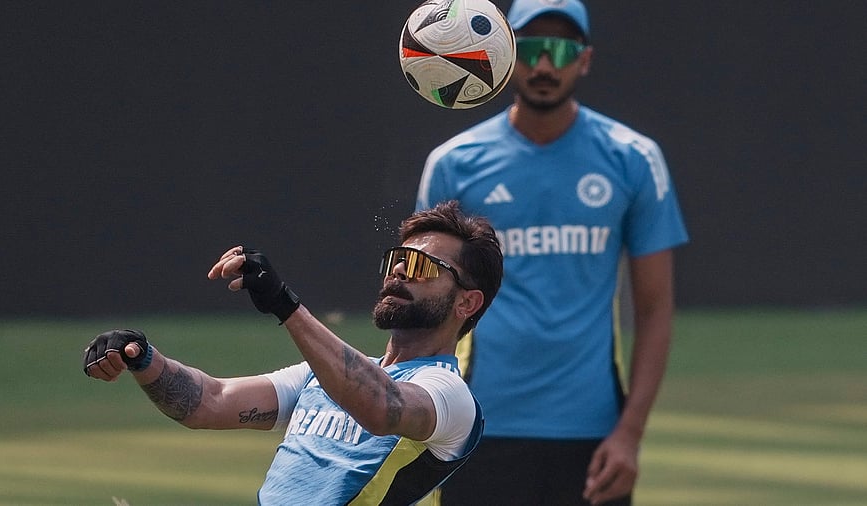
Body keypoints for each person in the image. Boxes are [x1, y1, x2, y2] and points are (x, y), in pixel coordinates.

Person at [415, 1, 689, 504]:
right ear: (507, 55)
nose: (546, 65)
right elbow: (425, 303)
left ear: (584, 59)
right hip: (475, 425)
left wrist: (630, 434)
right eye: (533, 48)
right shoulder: (454, 164)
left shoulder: (633, 159)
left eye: (562, 50)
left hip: (593, 432)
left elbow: (654, 308)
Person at [82, 200, 503, 505]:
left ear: (467, 303)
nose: (398, 270)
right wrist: (142, 357)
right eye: (398, 259)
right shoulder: (320, 376)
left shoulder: (448, 394)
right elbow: (208, 402)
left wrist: (284, 304)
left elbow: (382, 407)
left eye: (421, 266)